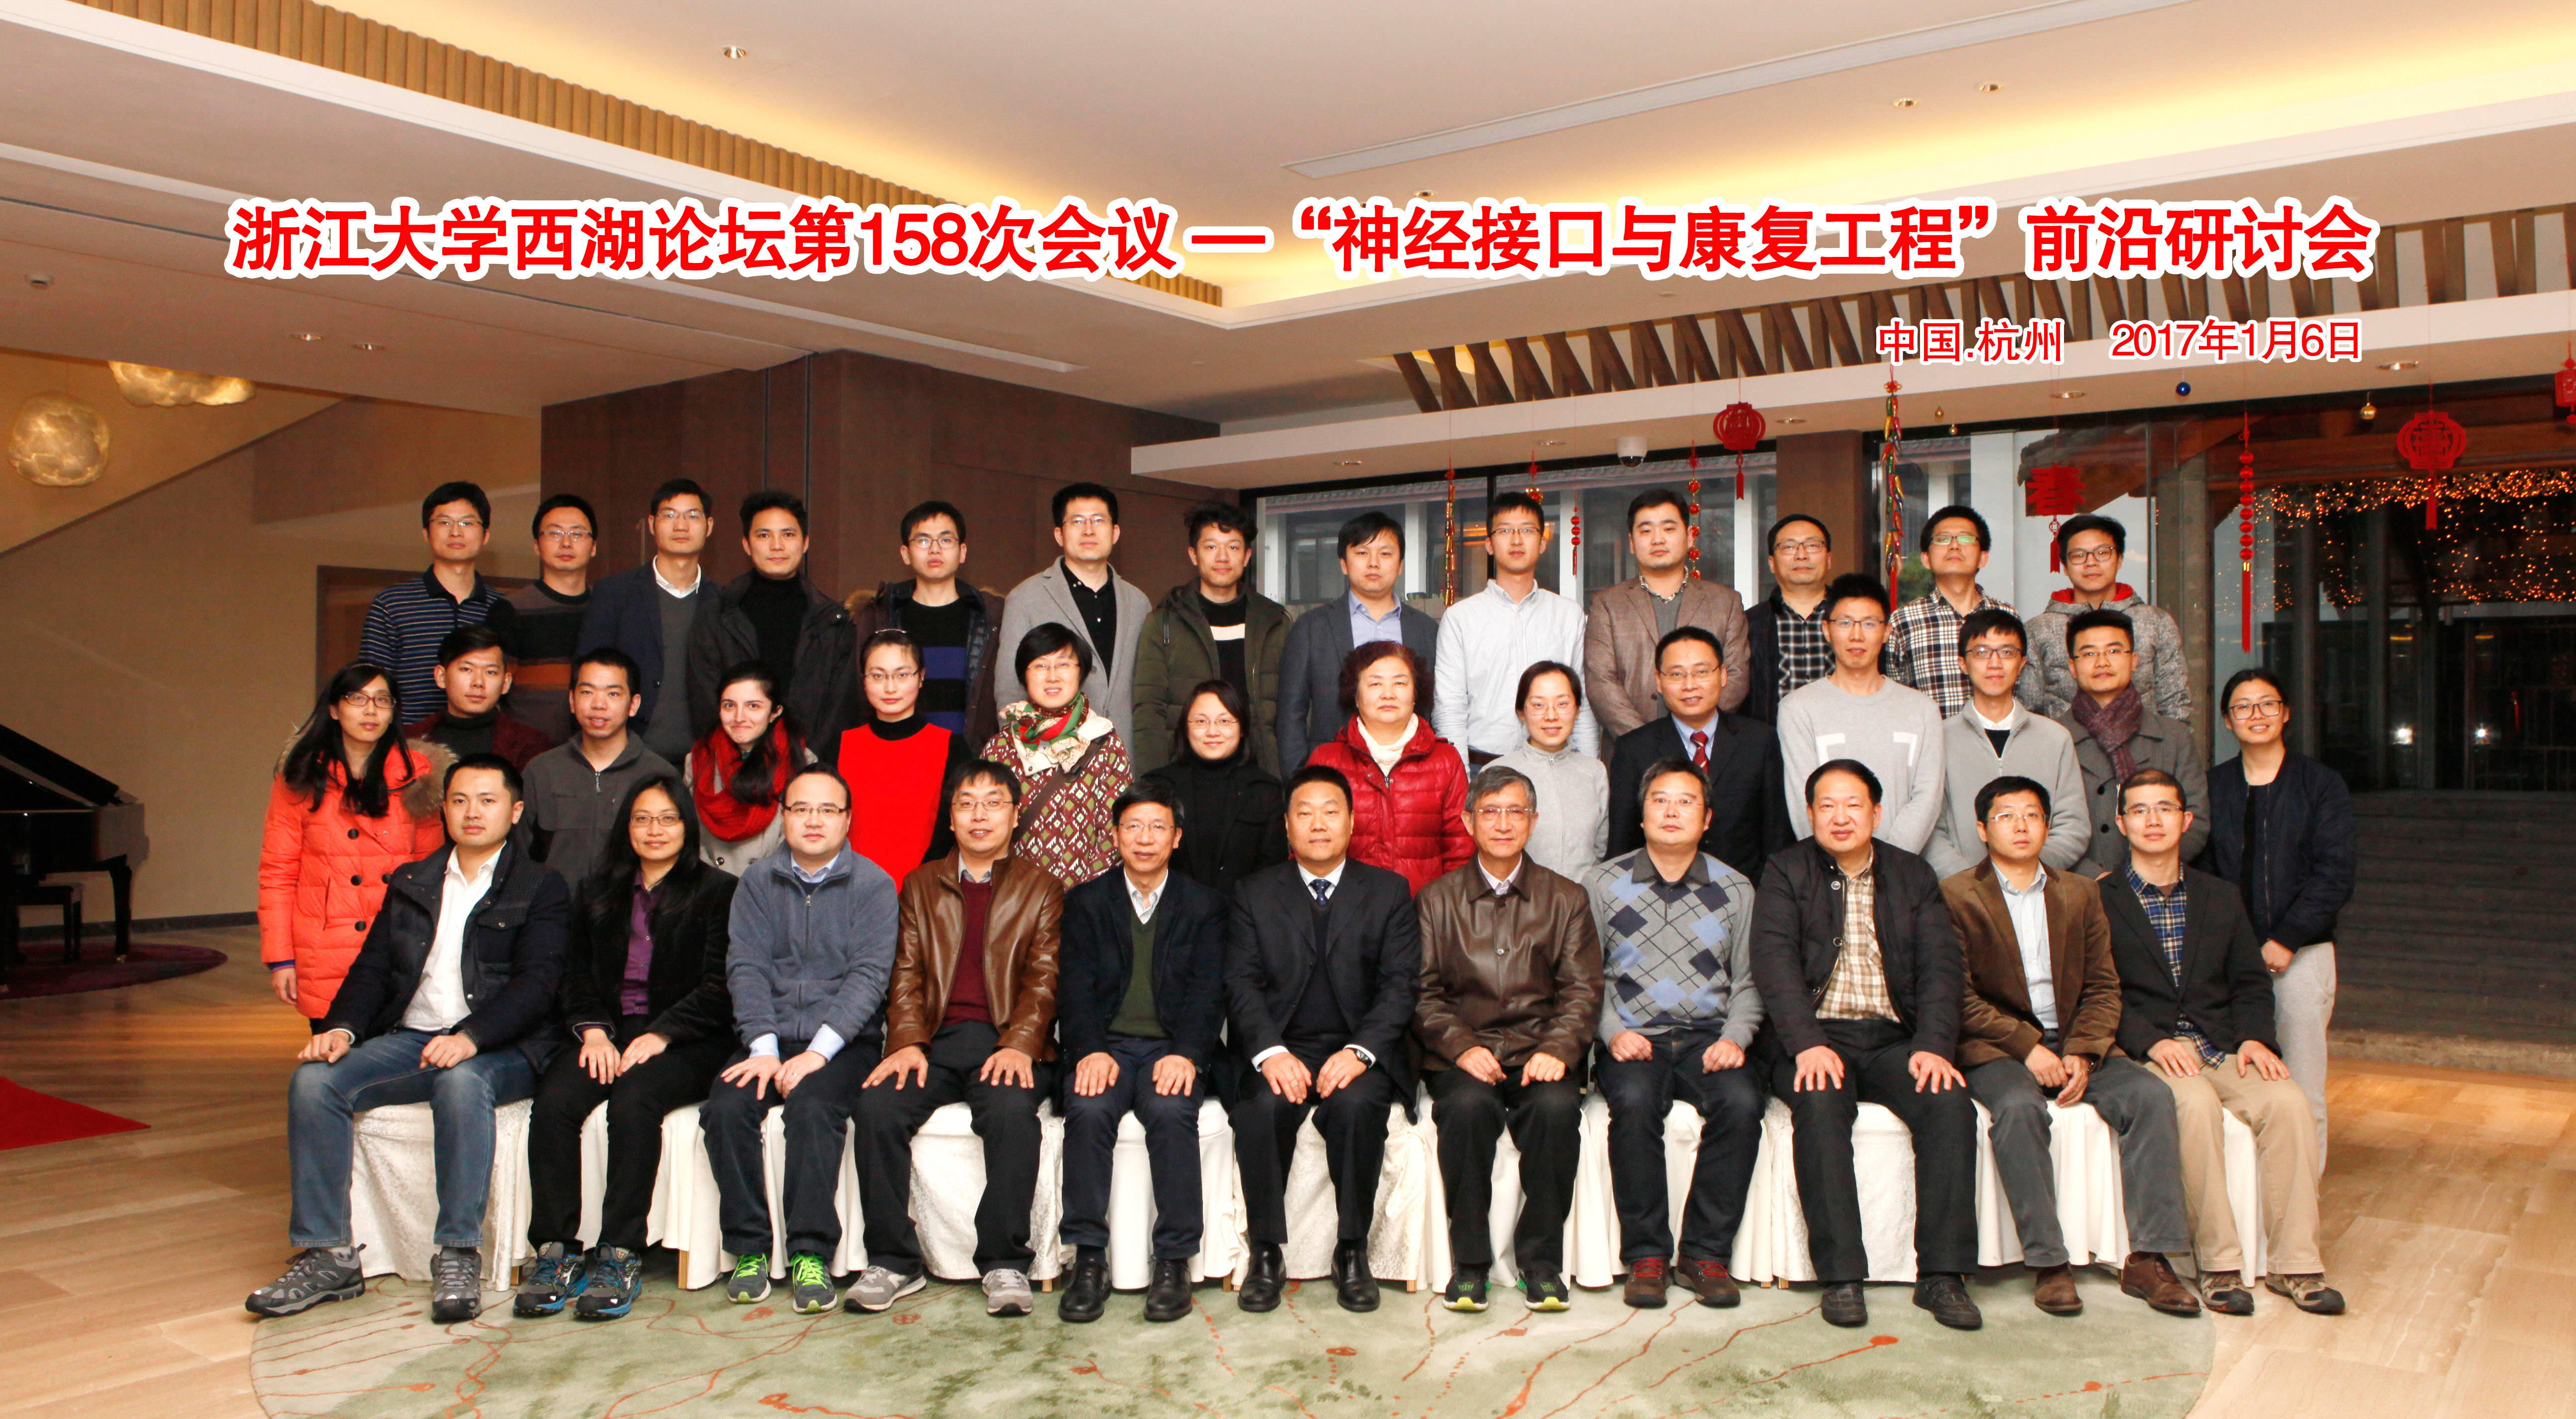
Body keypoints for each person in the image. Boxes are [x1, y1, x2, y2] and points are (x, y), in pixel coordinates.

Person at [246, 754, 570, 1324]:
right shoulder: (413, 880)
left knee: (460, 1083)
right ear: (444, 809)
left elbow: (538, 985)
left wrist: (471, 1036)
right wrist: (341, 1029)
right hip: (413, 1038)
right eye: (460, 800)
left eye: (488, 801)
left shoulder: (541, 886)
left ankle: (458, 1253)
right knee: (314, 1082)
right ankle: (329, 1255)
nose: (472, 812)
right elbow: (373, 970)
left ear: (516, 811)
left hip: (503, 1046)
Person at [1945, 776, 2200, 1319]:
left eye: (2032, 815)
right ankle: (2049, 1262)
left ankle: (2150, 1260)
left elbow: (2105, 987)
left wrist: (2082, 1052)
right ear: (1983, 830)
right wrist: (2028, 1048)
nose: (2020, 826)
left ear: (2047, 826)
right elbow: (1957, 998)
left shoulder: (2081, 893)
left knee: (2151, 1096)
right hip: (1998, 1047)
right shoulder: (1956, 896)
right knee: (2018, 1109)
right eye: (2006, 816)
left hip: (2075, 1039)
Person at [2102, 769, 2343, 1317]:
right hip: (2151, 1053)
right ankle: (2219, 1265)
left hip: (2220, 1045)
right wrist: (2151, 1041)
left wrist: (2257, 1039)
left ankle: (2295, 1265)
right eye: (2140, 810)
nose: (2154, 820)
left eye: (2166, 808)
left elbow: (2251, 982)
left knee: (2288, 1103)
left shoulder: (2219, 895)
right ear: (2122, 823)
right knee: (2193, 1107)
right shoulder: (2098, 899)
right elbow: (2097, 990)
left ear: (2186, 820)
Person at [1749, 760, 1980, 1331]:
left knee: (1949, 1102)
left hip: (1893, 1038)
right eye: (1827, 805)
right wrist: (1806, 1043)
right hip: (1815, 1037)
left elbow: (1941, 968)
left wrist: (1933, 1045)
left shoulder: (1912, 874)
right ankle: (1842, 1277)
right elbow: (1774, 965)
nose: (1840, 816)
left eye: (1853, 804)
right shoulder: (1785, 870)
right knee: (1821, 1101)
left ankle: (1942, 1276)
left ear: (1876, 813)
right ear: (1809, 813)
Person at [515, 775, 737, 1321]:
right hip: (609, 1032)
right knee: (556, 1101)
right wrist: (592, 1030)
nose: (654, 830)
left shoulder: (719, 892)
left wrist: (661, 1034)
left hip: (688, 1038)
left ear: (687, 827)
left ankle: (619, 1252)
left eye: (668, 818)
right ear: (626, 827)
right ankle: (556, 1250)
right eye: (642, 818)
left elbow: (721, 986)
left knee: (634, 1100)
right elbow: (574, 974)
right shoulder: (598, 889)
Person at [848, 760, 1063, 1319]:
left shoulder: (1041, 887)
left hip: (1006, 1041)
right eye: (967, 804)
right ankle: (893, 1261)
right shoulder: (921, 884)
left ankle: (1004, 1262)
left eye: (993, 803)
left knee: (1012, 1112)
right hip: (936, 1043)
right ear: (950, 818)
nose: (979, 815)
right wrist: (907, 1041)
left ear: (1015, 816)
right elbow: (906, 974)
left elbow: (1044, 979)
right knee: (876, 1108)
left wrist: (1020, 1043)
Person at [699, 766, 898, 1315]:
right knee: (726, 1106)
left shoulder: (875, 885)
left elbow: (869, 977)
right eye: (801, 809)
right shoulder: (757, 883)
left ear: (848, 820)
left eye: (828, 810)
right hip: (768, 1036)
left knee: (812, 1108)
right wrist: (763, 1049)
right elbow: (746, 968)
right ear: (783, 817)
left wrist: (817, 1053)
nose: (814, 820)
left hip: (843, 1043)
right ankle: (750, 1248)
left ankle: (811, 1251)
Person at [1225, 765, 1420, 1314]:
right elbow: (1240, 983)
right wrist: (1270, 1053)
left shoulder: (1387, 891)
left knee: (1358, 1108)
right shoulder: (1254, 893)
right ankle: (1266, 1252)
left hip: (1355, 1048)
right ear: (1287, 826)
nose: (1318, 824)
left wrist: (1361, 1052)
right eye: (1305, 813)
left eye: (1331, 812)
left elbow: (1401, 986)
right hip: (1282, 1047)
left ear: (1352, 822)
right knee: (1261, 1109)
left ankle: (1352, 1251)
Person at [1416, 764, 1603, 1313]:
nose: (1503, 824)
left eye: (1515, 812)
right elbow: (1422, 992)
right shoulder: (1437, 899)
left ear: (1533, 821)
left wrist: (1557, 1049)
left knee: (1554, 1111)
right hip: (1463, 1055)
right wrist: (1462, 1047)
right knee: (1467, 1111)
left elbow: (1583, 990)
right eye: (1491, 812)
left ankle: (1541, 1264)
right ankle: (1470, 1266)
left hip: (1540, 1053)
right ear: (1468, 821)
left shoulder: (1566, 898)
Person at [1587, 759, 1763, 1310]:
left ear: (1707, 819)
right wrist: (1612, 1032)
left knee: (1742, 1103)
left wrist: (1735, 1038)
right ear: (1641, 815)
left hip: (1708, 1037)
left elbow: (1750, 981)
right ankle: (1647, 1256)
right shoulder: (1603, 884)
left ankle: (1705, 1255)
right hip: (1633, 1036)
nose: (1671, 811)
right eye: (1659, 799)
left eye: (1686, 801)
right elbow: (1584, 977)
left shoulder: (1735, 888)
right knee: (1635, 1103)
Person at [1054, 782, 1229, 1324]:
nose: (1145, 838)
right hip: (1106, 1046)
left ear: (1176, 838)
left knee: (1172, 1111)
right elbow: (1074, 987)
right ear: (1115, 836)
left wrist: (1188, 1054)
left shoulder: (1204, 905)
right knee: (1088, 1110)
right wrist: (1088, 1049)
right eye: (1133, 827)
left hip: (1170, 1048)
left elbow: (1209, 992)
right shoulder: (1087, 901)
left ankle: (1174, 1260)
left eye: (1157, 827)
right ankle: (1089, 1258)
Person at [2201, 669, 2354, 1172]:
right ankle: (2250, 1204)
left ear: (2286, 713)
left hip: (2302, 955)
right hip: (2230, 960)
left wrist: (2287, 938)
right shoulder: (2214, 786)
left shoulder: (2320, 784)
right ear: (2228, 721)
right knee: (2239, 1082)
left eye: (2268, 704)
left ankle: (2300, 1203)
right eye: (2243, 707)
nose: (2257, 715)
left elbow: (2335, 874)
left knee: (2302, 1087)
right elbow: (2205, 874)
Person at [259, 663, 450, 1026]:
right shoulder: (301, 775)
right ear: (334, 709)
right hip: (326, 947)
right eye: (357, 699)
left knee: (395, 1055)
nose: (371, 710)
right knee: (333, 1051)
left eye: (382, 700)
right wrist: (281, 959)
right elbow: (277, 874)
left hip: (397, 943)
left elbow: (433, 875)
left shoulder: (417, 775)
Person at [1777, 575, 1946, 852]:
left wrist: (1890, 864)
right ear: (1827, 630)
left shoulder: (1922, 710)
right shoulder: (1798, 709)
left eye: (1869, 623)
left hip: (1902, 867)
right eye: (1845, 623)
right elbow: (1803, 801)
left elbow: (1927, 798)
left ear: (1887, 631)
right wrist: (1844, 863)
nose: (1857, 635)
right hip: (1827, 866)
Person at [1604, 627, 1789, 879]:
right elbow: (1622, 843)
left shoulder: (1759, 741)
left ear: (1723, 675)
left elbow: (1776, 835)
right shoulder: (1634, 748)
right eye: (1676, 674)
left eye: (1702, 672)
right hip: (1658, 893)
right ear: (1659, 681)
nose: (1689, 685)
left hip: (1744, 889)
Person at [1432, 491, 1596, 765]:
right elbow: (1450, 709)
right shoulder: (1460, 619)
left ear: (1543, 543)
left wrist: (1589, 773)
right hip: (1482, 767)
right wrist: (1460, 780)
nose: (1517, 540)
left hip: (1556, 764)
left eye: (1528, 530)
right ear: (1489, 544)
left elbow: (1583, 705)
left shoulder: (1569, 615)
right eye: (1505, 530)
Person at [685, 489, 858, 747]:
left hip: (810, 763)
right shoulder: (716, 615)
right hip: (735, 762)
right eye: (764, 535)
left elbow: (839, 711)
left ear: (805, 543)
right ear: (747, 545)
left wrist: (806, 762)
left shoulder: (833, 621)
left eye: (788, 534)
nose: (777, 546)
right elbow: (705, 704)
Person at [1924, 609, 2087, 877]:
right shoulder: (1938, 738)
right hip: (1962, 892)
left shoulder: (2055, 737)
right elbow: (1931, 829)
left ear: (2022, 663)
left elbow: (2074, 826)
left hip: (2040, 888)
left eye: (2007, 652)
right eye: (1982, 652)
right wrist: (1969, 883)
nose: (1995, 663)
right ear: (1963, 663)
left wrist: (2028, 872)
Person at [1584, 487, 1752, 743]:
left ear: (1690, 536)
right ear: (1632, 543)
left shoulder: (1726, 602)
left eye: (1669, 528)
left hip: (1707, 749)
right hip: (1632, 750)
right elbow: (1601, 683)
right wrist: (1647, 743)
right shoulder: (1607, 604)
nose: (1658, 539)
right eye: (1646, 531)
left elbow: (1736, 677)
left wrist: (1696, 733)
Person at [1133, 502, 1290, 775]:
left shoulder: (1274, 622)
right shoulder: (1163, 622)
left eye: (1233, 547)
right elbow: (1149, 709)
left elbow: (1292, 708)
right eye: (1211, 547)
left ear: (1247, 556)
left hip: (1260, 774)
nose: (1222, 557)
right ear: (1193, 555)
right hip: (1185, 776)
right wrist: (1156, 783)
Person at [1303, 641, 1472, 893]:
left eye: (1400, 683)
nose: (1388, 694)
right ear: (1355, 695)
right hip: (1345, 908)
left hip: (1424, 908)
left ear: (1416, 694)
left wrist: (1445, 909)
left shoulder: (1446, 761)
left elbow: (1461, 851)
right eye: (1375, 684)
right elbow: (1305, 846)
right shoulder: (1327, 760)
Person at [1277, 511, 1439, 772]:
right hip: (1332, 775)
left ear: (1400, 565)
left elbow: (1435, 709)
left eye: (1385, 554)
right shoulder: (1311, 628)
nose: (1374, 563)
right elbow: (1290, 714)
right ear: (1344, 564)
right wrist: (1301, 780)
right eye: (1362, 553)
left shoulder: (1426, 629)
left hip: (1412, 773)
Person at [996, 482, 1152, 745]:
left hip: (1125, 755)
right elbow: (1009, 692)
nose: (1089, 530)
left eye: (1099, 520)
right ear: (1059, 535)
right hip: (1052, 757)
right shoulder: (1024, 599)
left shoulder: (1138, 602)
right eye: (1077, 521)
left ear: (1115, 533)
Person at [2058, 609, 2208, 878]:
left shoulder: (2173, 737)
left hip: (2158, 883)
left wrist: (2148, 872)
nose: (2102, 662)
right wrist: (2092, 877)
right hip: (2080, 888)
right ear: (2072, 666)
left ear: (2135, 660)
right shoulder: (2053, 738)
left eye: (2114, 651)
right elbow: (2043, 827)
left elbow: (2196, 821)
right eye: (2089, 654)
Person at [981, 623, 1134, 888]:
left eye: (1064, 665)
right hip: (1014, 899)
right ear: (1024, 675)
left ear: (1081, 673)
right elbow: (985, 831)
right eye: (1040, 666)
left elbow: (1115, 836)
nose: (1052, 676)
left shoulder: (1107, 746)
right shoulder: (1000, 748)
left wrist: (1082, 899)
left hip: (1084, 901)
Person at [845, 499, 1007, 748]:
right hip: (897, 754)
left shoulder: (992, 616)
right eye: (923, 541)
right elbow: (858, 695)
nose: (935, 550)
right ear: (905, 554)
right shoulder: (880, 615)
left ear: (962, 552)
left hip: (972, 757)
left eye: (946, 540)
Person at [577, 479, 713, 765]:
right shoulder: (614, 593)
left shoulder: (724, 601)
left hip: (705, 758)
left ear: (709, 526)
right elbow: (587, 673)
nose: (681, 526)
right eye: (669, 515)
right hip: (629, 754)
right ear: (652, 524)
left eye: (692, 516)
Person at [522, 649, 678, 889]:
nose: (598, 704)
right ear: (572, 701)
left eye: (613, 694)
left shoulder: (659, 775)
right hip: (554, 907)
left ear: (634, 704)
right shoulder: (541, 771)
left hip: (632, 908)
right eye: (587, 692)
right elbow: (520, 853)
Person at [361, 480, 514, 719]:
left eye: (467, 523)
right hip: (410, 738)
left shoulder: (504, 607)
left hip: (483, 740)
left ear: (485, 535)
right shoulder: (392, 604)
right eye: (444, 523)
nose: (456, 532)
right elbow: (371, 686)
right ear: (426, 533)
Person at [2020, 515, 2190, 722]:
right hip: (2065, 742)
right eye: (2079, 555)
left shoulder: (2157, 622)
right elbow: (2028, 711)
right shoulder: (2038, 630)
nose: (2091, 562)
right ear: (2065, 566)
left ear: (2119, 560)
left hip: (2145, 742)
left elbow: (2175, 704)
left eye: (2102, 553)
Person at [833, 629, 971, 882]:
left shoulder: (952, 748)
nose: (890, 687)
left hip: (928, 889)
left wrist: (922, 886)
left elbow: (958, 829)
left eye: (902, 675)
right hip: (851, 888)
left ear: (921, 678)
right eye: (878, 676)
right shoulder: (840, 746)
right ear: (864, 681)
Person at [1140, 679, 1288, 895]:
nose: (1212, 732)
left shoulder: (1266, 791)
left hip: (1245, 911)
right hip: (1173, 910)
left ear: (1243, 728)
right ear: (1185, 728)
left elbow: (1273, 872)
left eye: (1224, 721)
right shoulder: (1158, 787)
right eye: (1201, 721)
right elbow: (1144, 863)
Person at [1883, 504, 2014, 719]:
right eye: (1943, 539)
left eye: (1965, 539)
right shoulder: (1902, 621)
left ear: (1983, 558)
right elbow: (1894, 697)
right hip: (1930, 739)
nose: (1954, 546)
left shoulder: (2007, 616)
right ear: (1926, 559)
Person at [684, 662, 815, 876]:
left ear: (775, 712)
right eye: (729, 706)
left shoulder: (802, 762)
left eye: (753, 706)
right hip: (711, 885)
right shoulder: (699, 760)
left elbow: (801, 837)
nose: (739, 717)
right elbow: (690, 834)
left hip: (773, 882)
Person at [1493, 661, 1608, 878]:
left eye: (1562, 704)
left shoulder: (1595, 772)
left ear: (1577, 710)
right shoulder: (1498, 772)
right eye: (1539, 705)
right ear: (1521, 712)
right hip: (1518, 897)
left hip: (1582, 897)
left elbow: (1600, 851)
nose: (1552, 716)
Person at [499, 492, 598, 743]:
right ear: (536, 545)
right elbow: (494, 691)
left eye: (577, 534)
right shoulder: (511, 609)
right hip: (527, 751)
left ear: (594, 547)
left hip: (596, 749)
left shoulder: (607, 607)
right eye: (555, 533)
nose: (566, 543)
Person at [404, 624, 550, 769]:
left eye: (490, 672)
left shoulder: (531, 745)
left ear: (506, 683)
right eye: (466, 669)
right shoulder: (408, 740)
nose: (478, 682)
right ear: (441, 676)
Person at [1739, 514, 1835, 724]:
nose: (1801, 555)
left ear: (1829, 559)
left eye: (1812, 546)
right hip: (1772, 742)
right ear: (1772, 563)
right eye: (1789, 547)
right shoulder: (1747, 625)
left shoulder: (1854, 620)